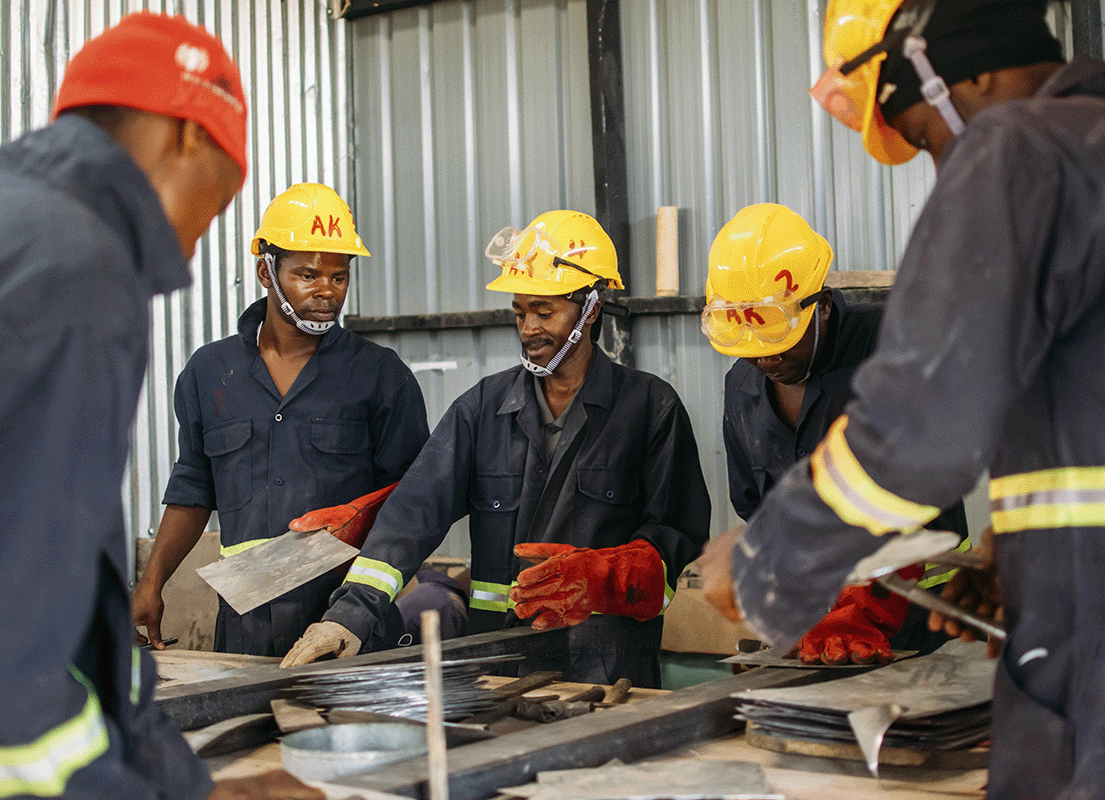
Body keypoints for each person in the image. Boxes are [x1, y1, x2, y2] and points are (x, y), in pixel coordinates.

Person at [699, 0, 1105, 798]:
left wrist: (769, 561)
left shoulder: (1013, 148)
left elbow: (916, 431)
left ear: (964, 68)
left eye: (926, 135)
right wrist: (1015, 546)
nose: (940, 167)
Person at [0, 12, 319, 800]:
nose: (200, 239)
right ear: (187, 138)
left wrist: (195, 790)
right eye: (221, 200)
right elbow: (24, 658)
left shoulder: (24, 227)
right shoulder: (81, 267)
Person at [280, 210, 710, 687]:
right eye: (520, 311)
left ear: (590, 309)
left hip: (608, 671)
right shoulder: (481, 410)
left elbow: (678, 536)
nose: (528, 328)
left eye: (545, 312)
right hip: (497, 670)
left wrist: (606, 578)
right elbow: (411, 516)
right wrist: (350, 616)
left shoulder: (650, 408)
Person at [133, 182, 429, 658]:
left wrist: (357, 598)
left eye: (339, 277)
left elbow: (415, 502)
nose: (326, 293)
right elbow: (193, 486)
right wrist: (151, 582)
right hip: (244, 630)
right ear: (266, 272)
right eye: (308, 275)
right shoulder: (210, 374)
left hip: (349, 629)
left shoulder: (380, 376)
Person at [703, 202, 968, 665]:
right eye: (751, 344)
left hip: (919, 624)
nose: (765, 357)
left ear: (820, 306)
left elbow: (918, 486)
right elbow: (754, 506)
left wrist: (863, 606)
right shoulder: (741, 388)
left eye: (779, 338)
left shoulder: (894, 345)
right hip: (812, 632)